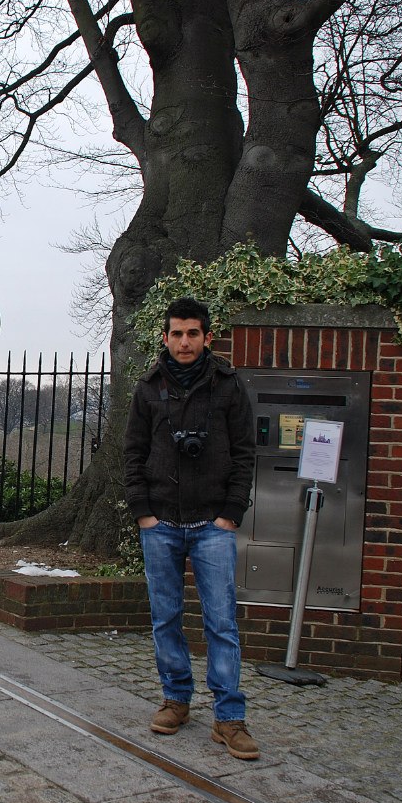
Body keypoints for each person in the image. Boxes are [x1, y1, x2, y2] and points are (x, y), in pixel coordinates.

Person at [123, 296, 259, 760]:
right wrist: (143, 511)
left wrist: (231, 512)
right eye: (177, 334)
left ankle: (229, 718)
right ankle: (176, 699)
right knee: (165, 617)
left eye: (193, 333)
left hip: (212, 524)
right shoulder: (147, 389)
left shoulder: (228, 386)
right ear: (165, 338)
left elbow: (244, 452)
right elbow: (133, 453)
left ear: (207, 336)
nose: (184, 342)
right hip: (160, 522)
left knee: (221, 621)